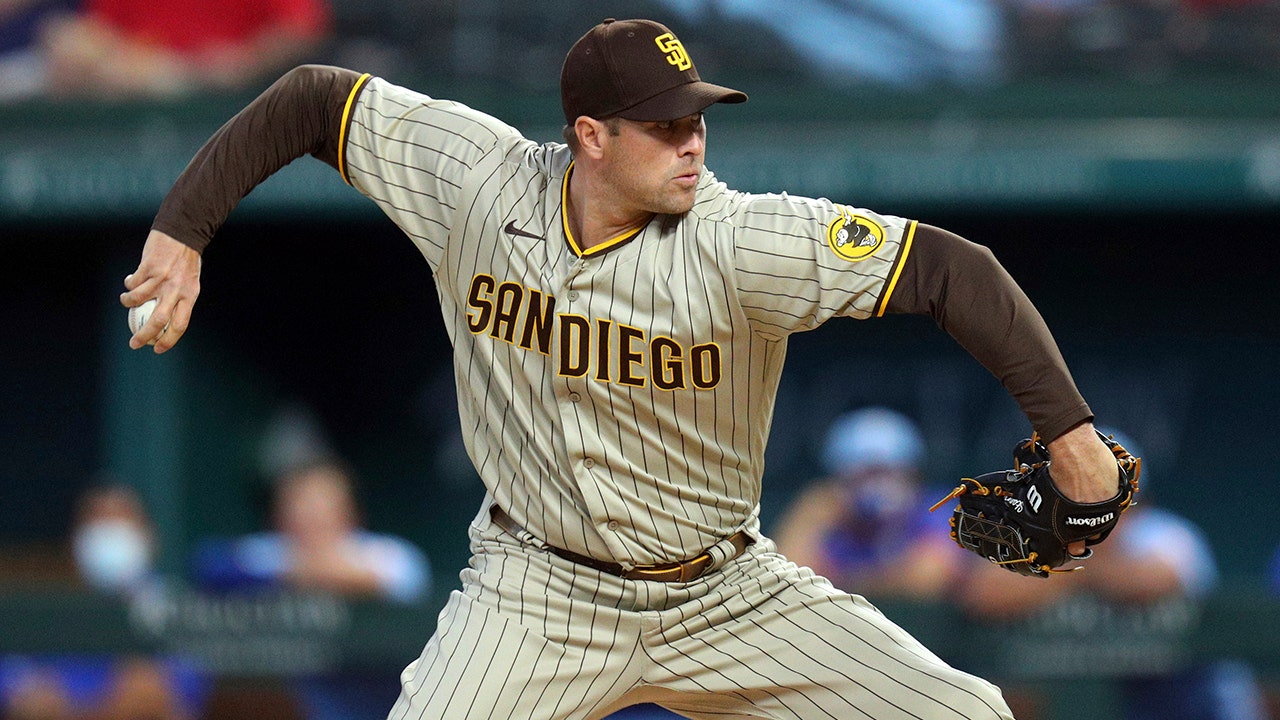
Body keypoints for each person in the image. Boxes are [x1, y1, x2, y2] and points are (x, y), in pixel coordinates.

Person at [119, 17, 1129, 719]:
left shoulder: (739, 240)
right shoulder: (477, 180)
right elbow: (310, 98)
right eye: (663, 125)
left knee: (965, 714)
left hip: (726, 595)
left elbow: (955, 270)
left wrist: (1070, 439)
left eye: (697, 118)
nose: (691, 142)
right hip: (534, 593)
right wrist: (183, 230)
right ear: (588, 137)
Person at [957, 429, 1272, 720]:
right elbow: (984, 593)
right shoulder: (1023, 532)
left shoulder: (1164, 532)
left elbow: (1160, 579)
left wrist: (1071, 559)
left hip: (1181, 700)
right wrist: (1082, 559)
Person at [773, 407, 966, 599]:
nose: (876, 487)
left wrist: (845, 581)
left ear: (912, 475)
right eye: (864, 475)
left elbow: (928, 578)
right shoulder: (828, 515)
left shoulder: (933, 508)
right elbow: (786, 584)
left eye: (887, 473)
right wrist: (809, 519)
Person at [192, 458, 431, 604]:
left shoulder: (377, 552)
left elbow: (413, 580)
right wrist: (294, 573)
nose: (310, 514)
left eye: (321, 504)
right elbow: (208, 566)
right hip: (284, 679)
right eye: (300, 503)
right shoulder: (271, 552)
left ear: (350, 512)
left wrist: (338, 577)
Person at [39, 0, 331, 98]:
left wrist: (249, 60)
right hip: (140, 102)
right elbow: (97, 33)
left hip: (233, 110)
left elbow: (300, 28)